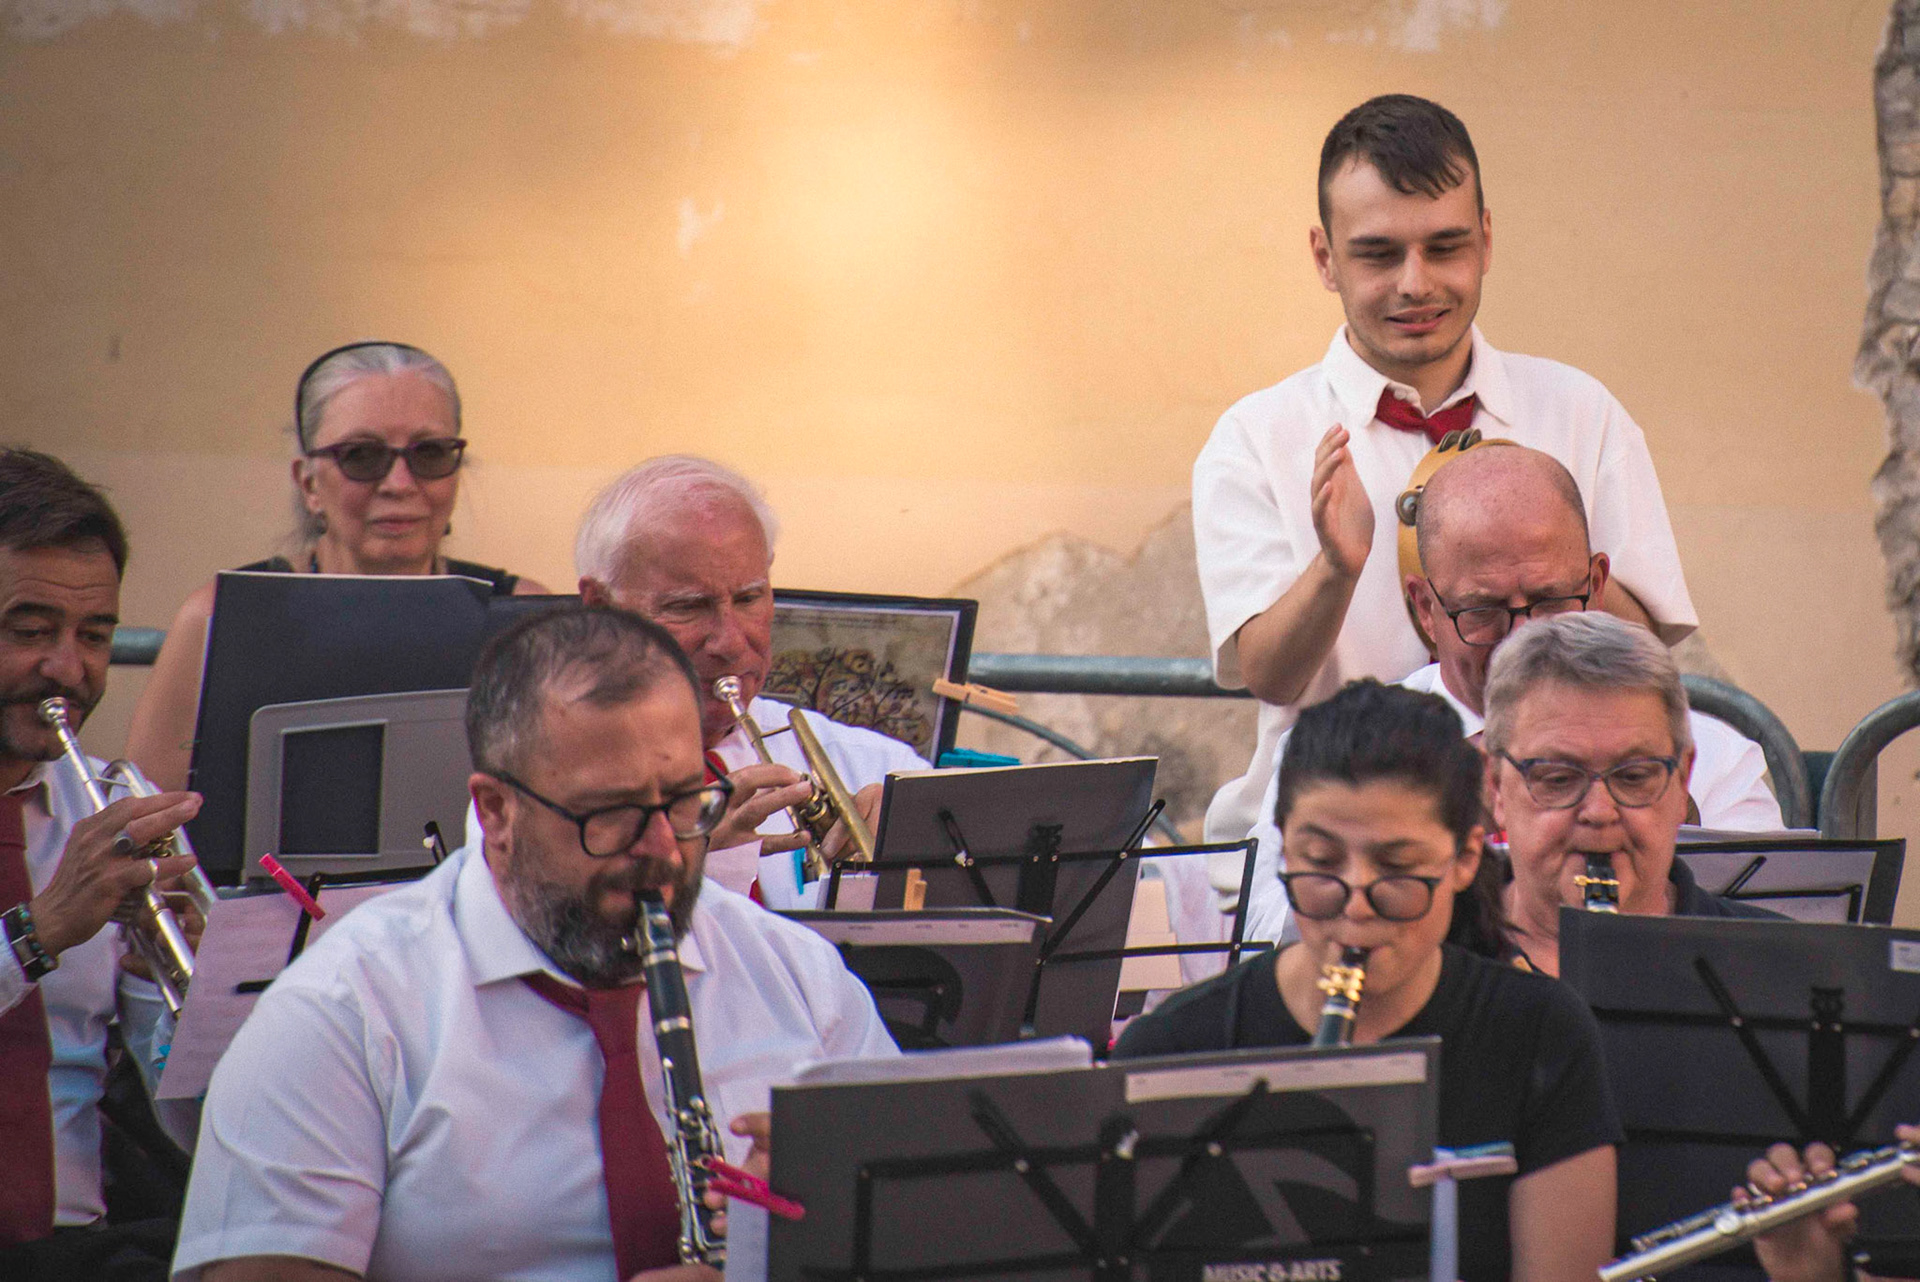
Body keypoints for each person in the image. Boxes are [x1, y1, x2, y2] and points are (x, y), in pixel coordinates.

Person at [172, 605, 898, 1282]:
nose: (663, 850)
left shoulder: (799, 976)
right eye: (610, 812)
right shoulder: (339, 1012)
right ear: (496, 811)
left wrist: (831, 1240)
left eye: (684, 800)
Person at [1192, 93, 1696, 875]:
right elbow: (1269, 675)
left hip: (1552, 844)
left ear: (1487, 239)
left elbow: (1641, 648)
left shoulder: (1580, 409)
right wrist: (1336, 569)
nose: (1415, 283)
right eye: (1378, 254)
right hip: (1335, 855)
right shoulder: (1256, 436)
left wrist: (1545, 564)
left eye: (1445, 246)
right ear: (1324, 258)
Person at [1114, 679, 1618, 1282]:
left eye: (1397, 867)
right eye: (1321, 863)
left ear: (1464, 858)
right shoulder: (1170, 1051)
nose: (1355, 904)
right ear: (1283, 852)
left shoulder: (1538, 1033)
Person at [1241, 445, 1780, 941]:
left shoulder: (1713, 756)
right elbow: (1265, 940)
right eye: (1483, 611)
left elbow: (1779, 945)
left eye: (1550, 600)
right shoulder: (1341, 753)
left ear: (1596, 585)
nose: (1523, 636)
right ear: (1425, 608)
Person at [127, 341, 549, 791]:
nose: (399, 484)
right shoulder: (220, 618)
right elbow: (147, 813)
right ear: (308, 483)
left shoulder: (525, 622)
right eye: (361, 456)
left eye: (429, 454)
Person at [0, 449, 203, 1281]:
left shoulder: (116, 806)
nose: (69, 670)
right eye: (30, 631)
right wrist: (39, 932)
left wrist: (185, 987)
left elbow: (188, 1126)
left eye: (94, 635)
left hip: (76, 1254)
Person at [574, 456, 927, 909]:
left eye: (748, 598)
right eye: (687, 606)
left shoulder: (876, 765)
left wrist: (909, 860)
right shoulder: (544, 784)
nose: (730, 641)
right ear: (601, 607)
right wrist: (685, 868)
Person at [1485, 612, 1781, 977]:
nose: (1599, 812)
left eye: (1633, 776)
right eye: (1559, 779)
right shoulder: (1428, 956)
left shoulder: (1779, 966)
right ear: (1496, 786)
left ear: (1682, 781)